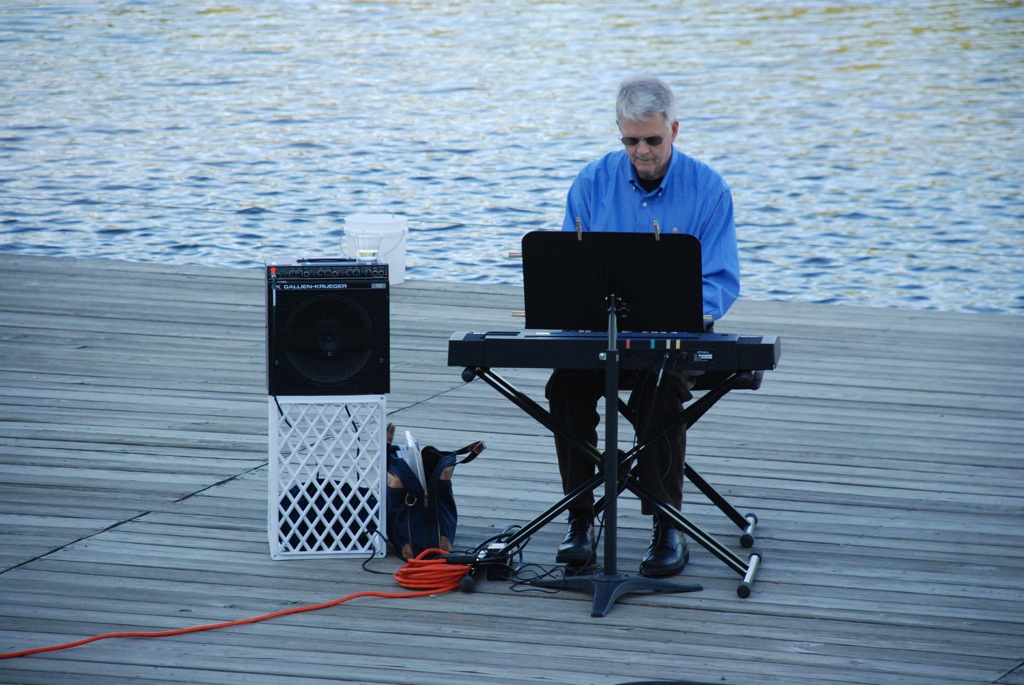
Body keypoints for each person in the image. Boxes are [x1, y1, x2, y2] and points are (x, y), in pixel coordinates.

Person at [545, 75, 740, 577]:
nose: (642, 152)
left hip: (677, 337)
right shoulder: (591, 182)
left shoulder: (709, 188)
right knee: (565, 385)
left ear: (674, 129)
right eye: (630, 141)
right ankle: (579, 518)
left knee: (659, 388)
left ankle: (666, 524)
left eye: (652, 139)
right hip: (601, 335)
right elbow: (569, 271)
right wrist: (575, 311)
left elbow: (720, 282)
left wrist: (682, 313)